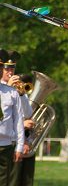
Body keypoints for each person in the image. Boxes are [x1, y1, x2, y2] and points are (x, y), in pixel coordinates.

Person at [0, 49, 24, 186]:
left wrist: (19, 146)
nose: (10, 72)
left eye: (12, 68)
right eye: (5, 68)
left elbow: (19, 119)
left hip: (5, 145)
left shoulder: (12, 92)